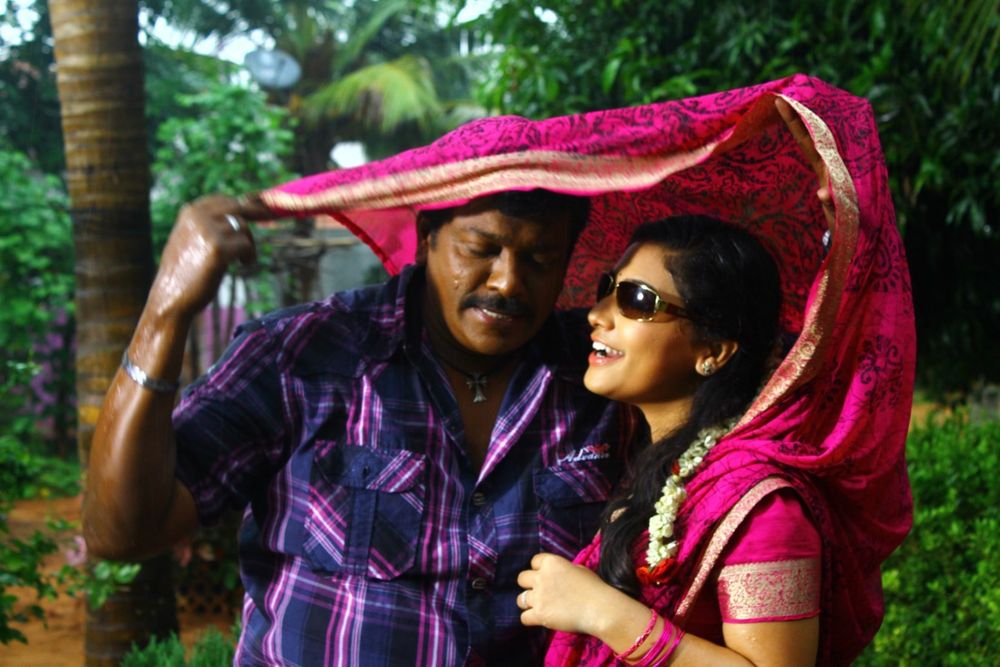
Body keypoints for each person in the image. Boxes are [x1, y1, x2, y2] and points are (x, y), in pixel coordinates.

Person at [84, 188, 640, 664]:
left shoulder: (603, 376)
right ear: (426, 236)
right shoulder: (301, 354)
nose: (508, 282)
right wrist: (166, 311)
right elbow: (122, 533)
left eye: (541, 259)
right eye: (480, 249)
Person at [512, 104, 914, 665]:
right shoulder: (663, 469)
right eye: (607, 289)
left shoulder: (764, 508)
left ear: (714, 350)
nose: (597, 316)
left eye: (636, 301)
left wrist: (602, 613)